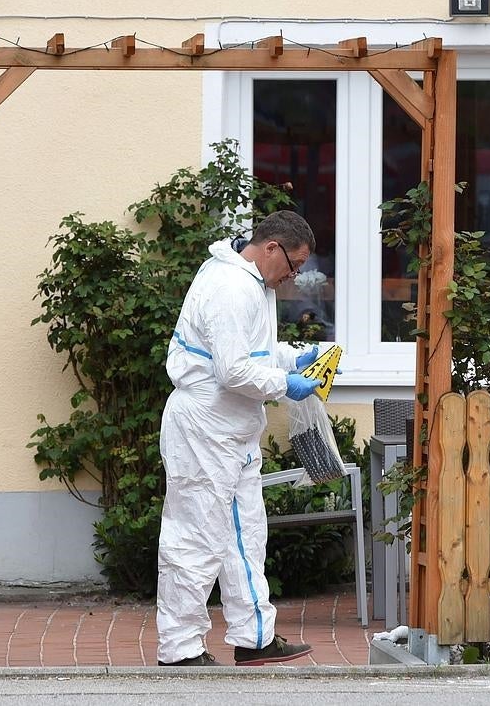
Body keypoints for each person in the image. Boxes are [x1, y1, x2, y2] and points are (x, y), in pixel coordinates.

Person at [155, 210, 322, 667]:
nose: (294, 276)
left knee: (244, 536)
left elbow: (253, 352)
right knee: (195, 538)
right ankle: (180, 650)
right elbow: (233, 372)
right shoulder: (232, 288)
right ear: (271, 248)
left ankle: (255, 638)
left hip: (231, 431)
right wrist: (284, 383)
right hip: (206, 428)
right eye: (294, 264)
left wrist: (294, 359)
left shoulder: (251, 282)